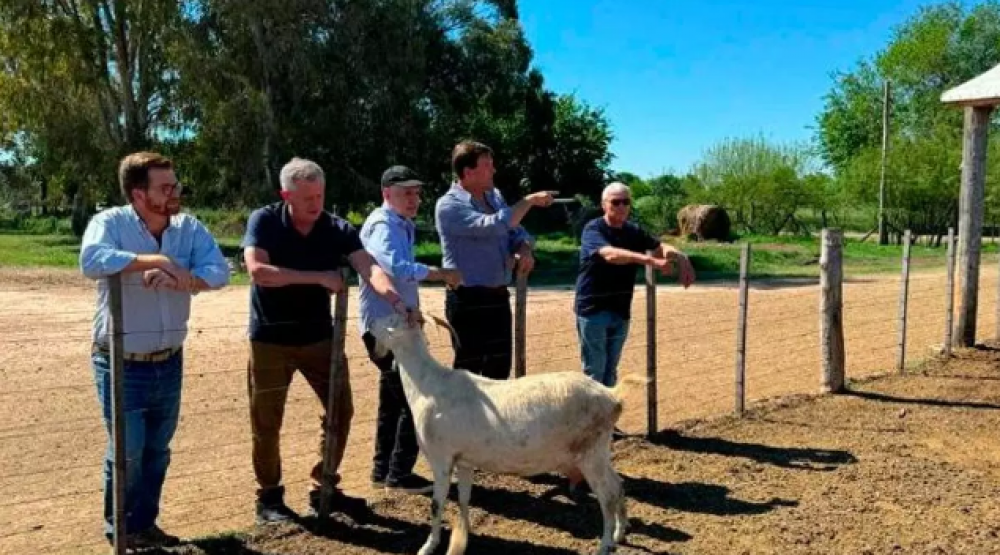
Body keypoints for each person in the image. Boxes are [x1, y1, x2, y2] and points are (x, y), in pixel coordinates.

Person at [241, 157, 420, 525]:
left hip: (320, 338)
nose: (315, 204)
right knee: (266, 421)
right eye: (306, 197)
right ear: (285, 195)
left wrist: (398, 301)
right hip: (270, 339)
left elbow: (369, 267)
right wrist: (319, 278)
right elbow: (258, 272)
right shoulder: (265, 220)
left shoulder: (336, 228)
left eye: (320, 195)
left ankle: (325, 485)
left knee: (341, 409)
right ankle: (270, 498)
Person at [79, 151, 231, 550]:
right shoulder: (109, 223)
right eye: (165, 187)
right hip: (120, 361)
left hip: (170, 359)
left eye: (175, 184)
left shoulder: (189, 228)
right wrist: (159, 260)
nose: (175, 192)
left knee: (157, 452)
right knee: (127, 453)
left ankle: (144, 526)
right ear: (138, 195)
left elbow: (220, 271)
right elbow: (92, 260)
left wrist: (186, 280)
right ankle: (121, 532)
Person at [358, 165, 463, 494]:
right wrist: (439, 273)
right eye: (406, 192)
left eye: (416, 192)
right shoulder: (382, 225)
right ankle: (399, 474)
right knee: (411, 398)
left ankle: (384, 471)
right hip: (386, 328)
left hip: (392, 324)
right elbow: (395, 267)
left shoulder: (398, 224)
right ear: (386, 193)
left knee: (392, 399)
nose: (414, 199)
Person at [434, 140, 554, 380]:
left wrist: (524, 249)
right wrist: (528, 201)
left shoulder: (494, 196)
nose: (494, 170)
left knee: (499, 371)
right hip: (468, 300)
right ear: (468, 172)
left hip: (498, 296)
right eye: (488, 165)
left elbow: (517, 232)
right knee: (468, 376)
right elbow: (494, 225)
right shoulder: (449, 206)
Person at [574, 182, 696, 401]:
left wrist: (681, 257)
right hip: (594, 309)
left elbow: (661, 247)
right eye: (615, 202)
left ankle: (607, 424)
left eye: (626, 202)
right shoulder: (593, 229)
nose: (621, 206)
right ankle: (592, 428)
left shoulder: (633, 231)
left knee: (610, 371)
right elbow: (611, 254)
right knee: (594, 371)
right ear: (604, 205)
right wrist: (650, 261)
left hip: (620, 310)